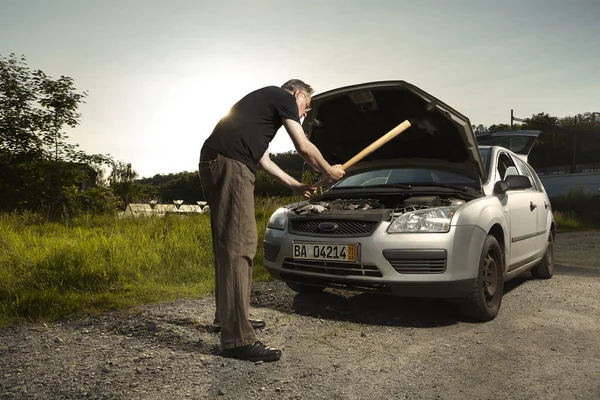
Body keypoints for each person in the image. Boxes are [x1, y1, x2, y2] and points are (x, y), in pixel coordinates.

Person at [199, 79, 345, 362]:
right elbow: (303, 146)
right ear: (298, 93)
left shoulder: (258, 109)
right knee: (240, 246)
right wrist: (330, 170)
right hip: (232, 165)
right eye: (306, 106)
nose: (304, 113)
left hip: (216, 161)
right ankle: (237, 338)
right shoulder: (283, 97)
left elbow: (264, 159)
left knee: (227, 245)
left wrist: (295, 184)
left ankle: (227, 318)